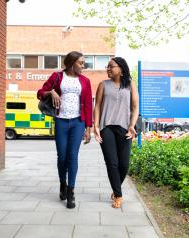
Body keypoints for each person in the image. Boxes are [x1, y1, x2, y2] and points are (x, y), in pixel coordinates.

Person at [37, 51, 92, 209]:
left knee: (72, 156)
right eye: (81, 63)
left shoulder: (85, 81)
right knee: (62, 156)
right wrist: (51, 91)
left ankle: (71, 191)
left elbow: (88, 105)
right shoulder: (57, 77)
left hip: (77, 122)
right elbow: (39, 93)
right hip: (61, 121)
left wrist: (88, 128)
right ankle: (63, 183)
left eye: (84, 63)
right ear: (71, 63)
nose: (83, 66)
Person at [93, 57, 139, 209]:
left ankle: (115, 188)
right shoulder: (103, 85)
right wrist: (96, 126)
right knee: (112, 163)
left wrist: (132, 125)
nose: (108, 69)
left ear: (121, 68)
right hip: (107, 128)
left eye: (111, 66)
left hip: (125, 128)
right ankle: (118, 195)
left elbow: (135, 107)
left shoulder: (130, 85)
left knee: (124, 164)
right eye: (107, 66)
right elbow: (98, 106)